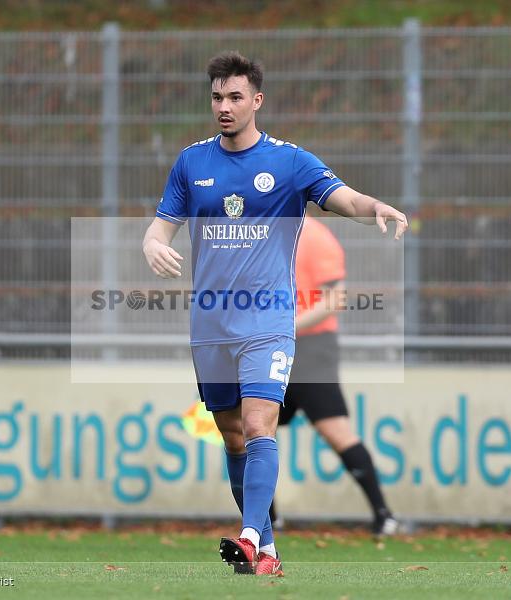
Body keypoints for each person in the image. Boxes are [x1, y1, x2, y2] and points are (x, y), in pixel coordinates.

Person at [142, 51, 407, 576]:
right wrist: (151, 244)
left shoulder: (289, 162)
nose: (224, 105)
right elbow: (160, 225)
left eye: (235, 97)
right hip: (211, 323)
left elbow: (344, 198)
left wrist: (374, 206)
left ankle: (248, 535)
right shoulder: (191, 162)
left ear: (256, 101)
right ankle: (266, 551)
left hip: (268, 322)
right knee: (233, 433)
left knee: (261, 425)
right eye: (217, 96)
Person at [271, 212, 400, 537]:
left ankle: (384, 516)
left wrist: (287, 326)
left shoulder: (315, 236)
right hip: (268, 346)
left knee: (335, 431)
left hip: (311, 349)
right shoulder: (262, 234)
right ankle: (266, 522)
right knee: (255, 430)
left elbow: (334, 298)